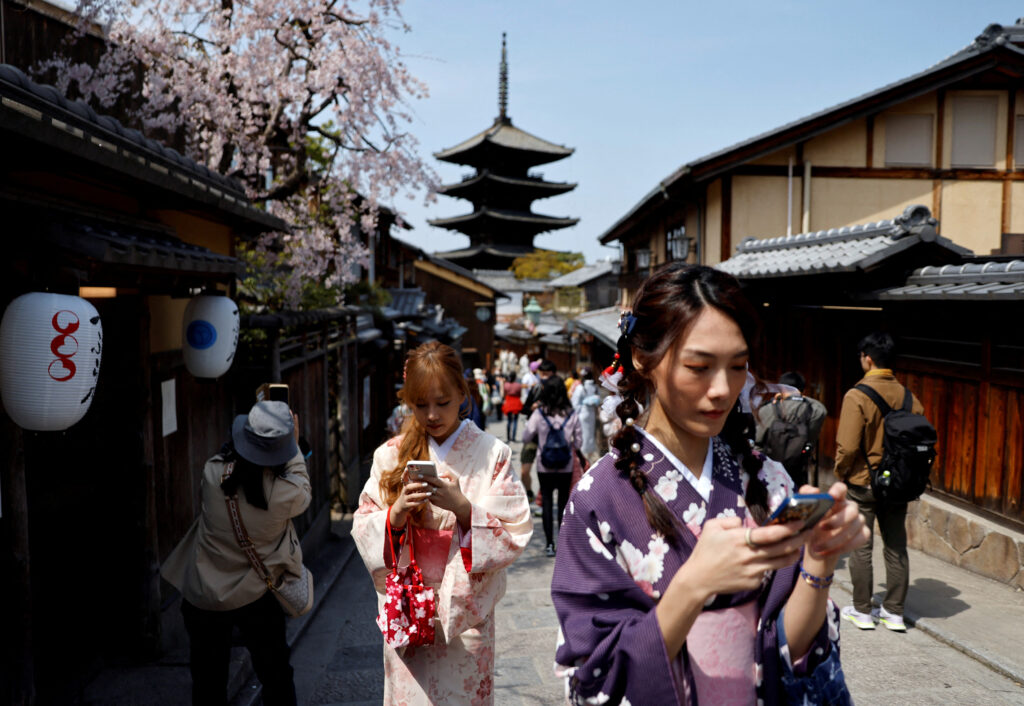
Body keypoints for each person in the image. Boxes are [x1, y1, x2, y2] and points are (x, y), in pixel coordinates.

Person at [551, 263, 868, 705]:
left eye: (738, 366)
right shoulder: (599, 498)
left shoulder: (766, 478)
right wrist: (692, 586)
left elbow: (786, 653)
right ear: (643, 359)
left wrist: (819, 561)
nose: (723, 389)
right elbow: (594, 678)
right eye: (698, 367)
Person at [351, 341, 532, 705]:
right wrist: (397, 513)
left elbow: (514, 529)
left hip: (465, 616)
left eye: (443, 403)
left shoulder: (491, 453)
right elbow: (363, 524)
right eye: (421, 405)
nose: (432, 414)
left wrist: (464, 508)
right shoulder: (389, 455)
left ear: (463, 393)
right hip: (408, 610)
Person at [161, 400, 310, 706]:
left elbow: (233, 458)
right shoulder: (286, 494)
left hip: (205, 592)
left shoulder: (213, 474)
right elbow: (300, 479)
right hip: (257, 594)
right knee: (276, 674)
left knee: (207, 682)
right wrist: (292, 444)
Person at [835, 332, 923, 633]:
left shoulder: (857, 395)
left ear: (867, 359)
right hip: (898, 485)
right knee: (896, 546)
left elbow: (847, 446)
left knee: (861, 547)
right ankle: (894, 612)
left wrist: (841, 473)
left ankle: (862, 611)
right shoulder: (910, 398)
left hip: (864, 483)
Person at [523, 377, 583, 557]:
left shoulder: (539, 413)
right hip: (565, 465)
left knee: (547, 502)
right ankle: (564, 543)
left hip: (544, 465)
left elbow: (526, 437)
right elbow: (579, 442)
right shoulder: (571, 414)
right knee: (563, 503)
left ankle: (549, 544)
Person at [754, 371, 828, 487]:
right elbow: (821, 408)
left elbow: (757, 441)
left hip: (769, 471)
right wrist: (799, 397)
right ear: (804, 391)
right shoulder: (814, 410)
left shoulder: (767, 409)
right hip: (798, 470)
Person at [519, 359, 556, 504]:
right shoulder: (536, 389)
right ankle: (529, 493)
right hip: (532, 433)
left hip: (549, 436)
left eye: (547, 374)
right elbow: (524, 409)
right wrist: (532, 408)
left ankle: (543, 499)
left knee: (546, 472)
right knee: (524, 471)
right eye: (542, 374)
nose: (544, 377)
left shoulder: (557, 390)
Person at [570, 367, 601, 463]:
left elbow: (574, 403)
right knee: (590, 435)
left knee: (582, 435)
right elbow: (598, 400)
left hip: (582, 413)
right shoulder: (595, 387)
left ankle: (582, 457)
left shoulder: (580, 387)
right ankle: (589, 455)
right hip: (592, 413)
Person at [501, 373, 523, 441]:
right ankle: (513, 437)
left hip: (509, 401)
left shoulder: (506, 385)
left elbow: (503, 394)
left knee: (509, 420)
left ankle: (508, 437)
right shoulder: (518, 385)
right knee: (515, 420)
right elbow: (520, 395)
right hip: (516, 401)